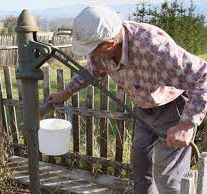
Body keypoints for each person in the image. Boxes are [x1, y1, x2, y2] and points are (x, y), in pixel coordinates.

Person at [47, 4, 207, 194]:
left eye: (92, 50)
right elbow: (90, 73)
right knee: (140, 166)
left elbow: (202, 75)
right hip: (143, 108)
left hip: (173, 108)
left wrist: (187, 124)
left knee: (167, 177)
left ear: (110, 44)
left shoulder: (153, 47)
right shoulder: (102, 51)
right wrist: (64, 94)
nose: (90, 55)